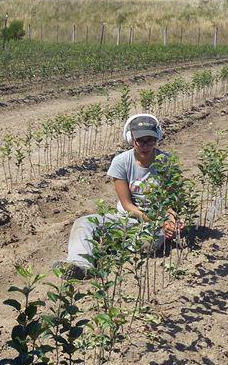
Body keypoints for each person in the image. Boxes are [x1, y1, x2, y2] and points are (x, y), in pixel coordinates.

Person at [57, 113, 183, 279]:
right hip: (127, 218)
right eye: (141, 141)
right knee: (83, 223)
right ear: (131, 139)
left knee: (147, 243)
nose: (146, 146)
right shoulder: (121, 162)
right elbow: (127, 205)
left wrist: (170, 221)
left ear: (158, 137)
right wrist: (155, 221)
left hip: (154, 223)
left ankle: (115, 243)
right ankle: (80, 265)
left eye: (150, 140)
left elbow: (170, 201)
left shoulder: (166, 161)